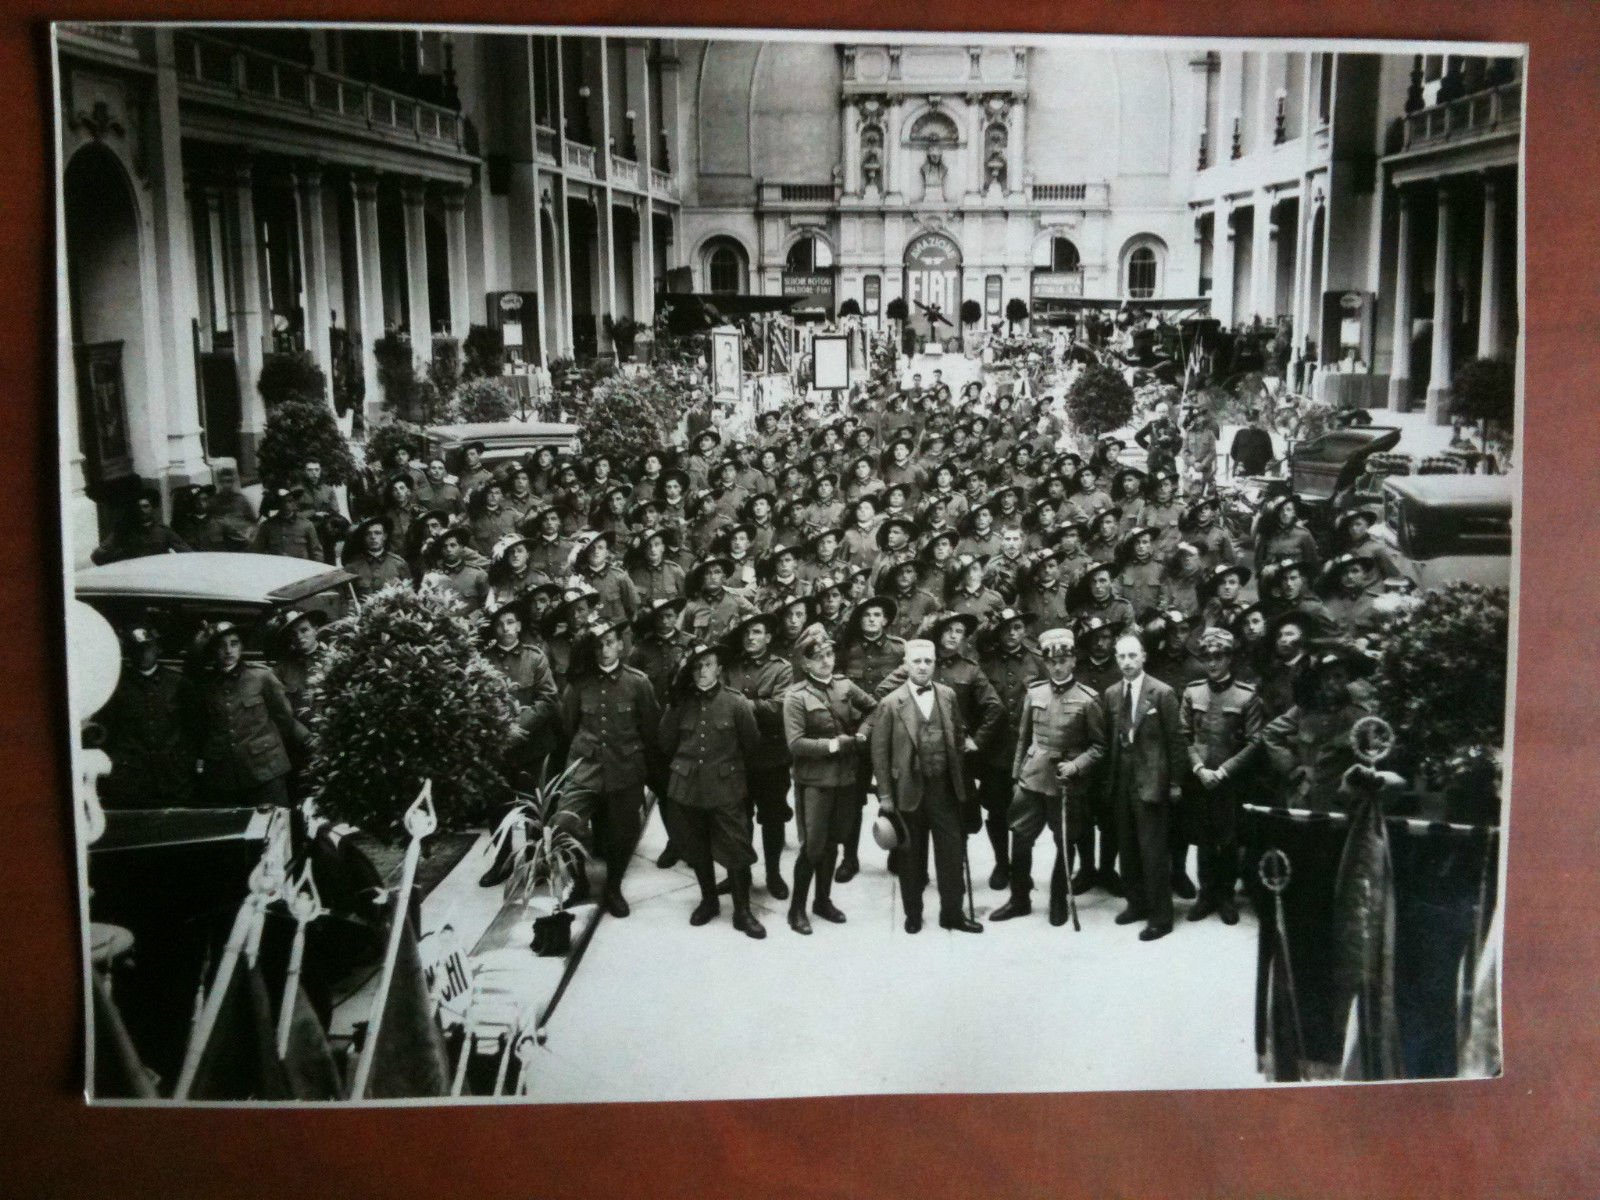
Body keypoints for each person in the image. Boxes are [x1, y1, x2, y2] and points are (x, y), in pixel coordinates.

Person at [990, 627, 1106, 925]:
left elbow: (1099, 747)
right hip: (1032, 779)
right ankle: (1019, 899)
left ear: (1073, 661)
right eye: (1052, 662)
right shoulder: (1035, 693)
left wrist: (1076, 766)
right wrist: (1017, 776)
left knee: (1065, 842)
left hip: (1066, 783)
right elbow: (1024, 738)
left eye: (1063, 660)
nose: (1057, 667)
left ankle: (1058, 899)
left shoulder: (1088, 699)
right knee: (1020, 838)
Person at [871, 639, 983, 934]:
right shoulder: (890, 703)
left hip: (944, 790)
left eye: (928, 661)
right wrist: (885, 795)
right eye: (917, 661)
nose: (922, 667)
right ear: (906, 664)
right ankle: (913, 913)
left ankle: (952, 914)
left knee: (951, 855)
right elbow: (879, 754)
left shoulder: (947, 696)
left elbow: (957, 740)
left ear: (935, 663)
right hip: (908, 792)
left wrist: (962, 782)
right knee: (910, 858)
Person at [658, 643, 766, 938]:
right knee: (697, 848)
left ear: (719, 668)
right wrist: (672, 704)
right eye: (696, 666)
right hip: (687, 789)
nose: (702, 671)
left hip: (725, 788)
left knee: (737, 848)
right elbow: (665, 743)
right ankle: (709, 902)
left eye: (707, 664)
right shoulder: (681, 703)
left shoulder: (736, 702)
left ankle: (742, 911)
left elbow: (751, 744)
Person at [559, 616, 663, 917]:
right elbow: (569, 725)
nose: (604, 650)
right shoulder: (579, 684)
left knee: (622, 833)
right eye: (598, 645)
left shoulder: (638, 683)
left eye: (609, 643)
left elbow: (650, 728)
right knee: (564, 824)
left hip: (625, 769)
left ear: (620, 645)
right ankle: (579, 881)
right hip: (586, 768)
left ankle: (613, 887)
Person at [782, 625, 877, 935]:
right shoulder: (796, 696)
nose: (826, 660)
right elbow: (795, 743)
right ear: (805, 663)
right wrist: (835, 745)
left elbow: (873, 709)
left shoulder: (845, 686)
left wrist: (862, 733)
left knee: (834, 841)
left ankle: (822, 901)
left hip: (846, 778)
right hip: (815, 782)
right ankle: (797, 909)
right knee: (813, 847)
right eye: (817, 656)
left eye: (828, 654)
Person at [1102, 632, 1186, 941]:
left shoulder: (1162, 693)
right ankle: (1136, 903)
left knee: (1153, 851)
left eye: (1132, 655)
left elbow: (1176, 742)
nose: (1127, 662)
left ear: (1144, 657)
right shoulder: (1112, 694)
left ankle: (1161, 916)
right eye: (1121, 656)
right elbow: (1109, 740)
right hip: (1121, 780)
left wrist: (1175, 783)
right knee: (1127, 847)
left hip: (1152, 780)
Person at [1179, 628, 1262, 925]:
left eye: (1219, 656)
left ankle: (1225, 896)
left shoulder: (1246, 695)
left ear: (1230, 658)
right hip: (1200, 778)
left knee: (1228, 838)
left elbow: (1255, 741)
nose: (1212, 663)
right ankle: (1205, 895)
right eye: (1207, 657)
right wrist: (1198, 768)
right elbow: (1183, 735)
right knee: (1203, 838)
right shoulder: (1193, 692)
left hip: (1230, 781)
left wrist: (1225, 771)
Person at [183, 621, 308, 809]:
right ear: (214, 650)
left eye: (234, 644)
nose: (228, 650)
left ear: (241, 647)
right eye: (222, 645)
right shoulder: (206, 685)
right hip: (225, 776)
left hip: (266, 771)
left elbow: (283, 718)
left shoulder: (261, 677)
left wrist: (266, 747)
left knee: (274, 821)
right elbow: (201, 727)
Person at [720, 612, 796, 901]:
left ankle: (773, 874)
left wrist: (742, 705)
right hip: (736, 755)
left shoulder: (781, 669)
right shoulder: (730, 667)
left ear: (768, 637)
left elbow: (780, 708)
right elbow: (719, 701)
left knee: (773, 818)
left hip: (771, 757)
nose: (750, 638)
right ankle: (740, 874)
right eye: (746, 633)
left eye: (756, 632)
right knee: (738, 819)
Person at [977, 608, 1047, 891]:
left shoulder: (1037, 662)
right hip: (996, 751)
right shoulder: (986, 662)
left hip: (1029, 750)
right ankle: (1001, 863)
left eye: (1017, 627)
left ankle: (1021, 869)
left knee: (1026, 814)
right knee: (996, 811)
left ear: (1024, 630)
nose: (1012, 634)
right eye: (1006, 629)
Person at [96, 624, 192, 809]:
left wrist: (184, 761)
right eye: (136, 648)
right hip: (133, 777)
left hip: (173, 775)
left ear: (157, 648)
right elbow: (108, 731)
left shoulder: (178, 683)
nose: (142, 653)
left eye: (147, 647)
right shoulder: (117, 687)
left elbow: (193, 727)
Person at [90, 489, 191, 564]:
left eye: (146, 506)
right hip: (135, 575)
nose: (142, 510)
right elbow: (97, 556)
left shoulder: (164, 532)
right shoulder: (124, 531)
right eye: (138, 507)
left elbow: (188, 553)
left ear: (153, 508)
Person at [253, 486, 324, 561]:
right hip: (276, 566)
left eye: (289, 501)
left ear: (294, 503)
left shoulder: (306, 525)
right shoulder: (267, 526)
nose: (286, 505)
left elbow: (317, 553)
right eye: (282, 501)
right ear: (277, 504)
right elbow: (256, 552)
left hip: (300, 567)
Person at [1229, 407, 1275, 477]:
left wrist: (1259, 463)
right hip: (1241, 471)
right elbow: (1233, 452)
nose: (1252, 423)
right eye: (1249, 420)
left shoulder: (1264, 435)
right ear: (1246, 421)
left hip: (1257, 471)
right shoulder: (1240, 433)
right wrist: (1242, 461)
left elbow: (1269, 455)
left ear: (1258, 420)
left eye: (1254, 420)